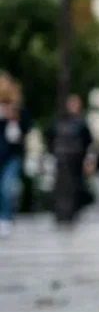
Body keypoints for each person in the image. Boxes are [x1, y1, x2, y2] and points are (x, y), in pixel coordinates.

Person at [46, 94, 94, 223]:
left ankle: (73, 211)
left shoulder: (81, 123)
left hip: (77, 160)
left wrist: (87, 159)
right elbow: (50, 137)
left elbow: (88, 141)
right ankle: (61, 212)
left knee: (76, 186)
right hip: (62, 160)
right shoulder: (59, 121)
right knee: (62, 185)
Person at [0, 73, 32, 237]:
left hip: (12, 156)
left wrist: (14, 119)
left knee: (7, 186)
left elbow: (25, 131)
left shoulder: (18, 111)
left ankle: (5, 218)